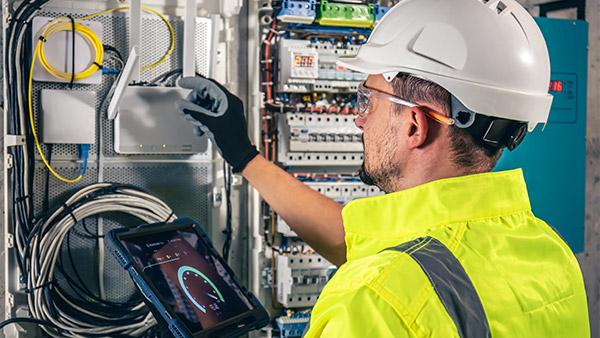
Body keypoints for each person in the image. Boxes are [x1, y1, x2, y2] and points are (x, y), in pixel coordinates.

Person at [175, 0, 590, 335]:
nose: (359, 119)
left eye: (368, 100)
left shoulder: (374, 300)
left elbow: (395, 277)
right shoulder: (548, 251)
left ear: (415, 125)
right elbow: (360, 242)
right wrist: (243, 154)